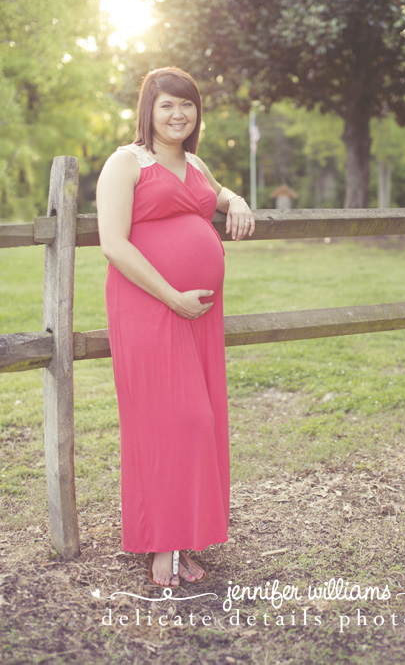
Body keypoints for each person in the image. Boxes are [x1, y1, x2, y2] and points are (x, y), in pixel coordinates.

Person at [96, 67, 255, 587]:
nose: (178, 114)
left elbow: (216, 191)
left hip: (199, 314)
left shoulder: (195, 163)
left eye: (186, 105)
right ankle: (160, 546)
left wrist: (237, 201)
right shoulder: (126, 162)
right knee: (172, 421)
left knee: (201, 422)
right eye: (167, 105)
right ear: (149, 110)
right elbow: (114, 244)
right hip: (150, 304)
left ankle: (183, 538)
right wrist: (172, 296)